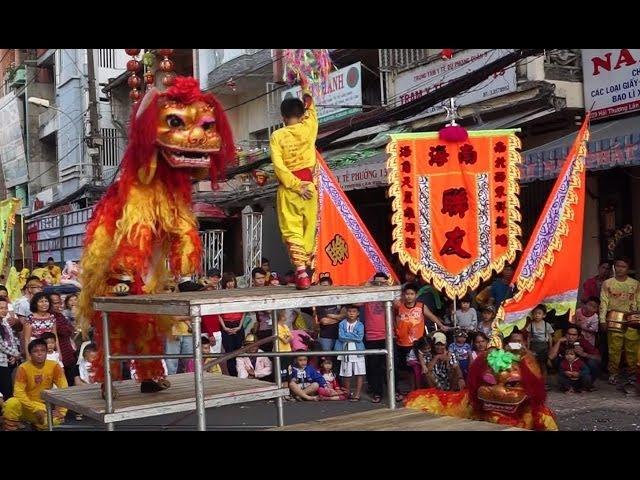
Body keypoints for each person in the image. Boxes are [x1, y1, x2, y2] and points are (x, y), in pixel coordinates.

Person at [270, 78, 318, 290]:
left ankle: (301, 272)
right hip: (310, 186)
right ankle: (306, 268)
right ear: (301, 114)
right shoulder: (309, 127)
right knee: (309, 229)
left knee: (292, 230)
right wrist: (305, 85)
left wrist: (295, 185)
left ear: (283, 117)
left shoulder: (277, 135)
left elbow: (278, 166)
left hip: (291, 189)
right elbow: (311, 105)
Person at [2, 338, 68, 431]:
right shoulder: (23, 368)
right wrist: (35, 408)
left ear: (46, 352)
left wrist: (61, 411)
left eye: (42, 350)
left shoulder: (54, 366)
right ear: (30, 354)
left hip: (44, 407)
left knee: (54, 420)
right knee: (11, 403)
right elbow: (18, 392)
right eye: (35, 351)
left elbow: (64, 388)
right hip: (26, 405)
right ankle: (10, 428)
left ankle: (37, 425)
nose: (40, 353)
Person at [599, 257, 640, 385]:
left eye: (623, 266)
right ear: (614, 267)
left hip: (631, 318)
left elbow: (639, 301)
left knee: (632, 347)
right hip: (614, 318)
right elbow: (603, 302)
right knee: (614, 348)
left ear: (628, 269)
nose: (620, 269)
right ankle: (613, 373)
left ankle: (632, 374)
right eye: (618, 266)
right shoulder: (607, 283)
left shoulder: (635, 284)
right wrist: (602, 319)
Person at [335, 305, 366, 401]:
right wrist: (353, 334)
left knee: (359, 372)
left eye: (354, 311)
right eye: (349, 311)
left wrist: (347, 334)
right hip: (345, 350)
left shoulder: (360, 325)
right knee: (346, 373)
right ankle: (347, 393)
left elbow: (359, 338)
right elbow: (341, 337)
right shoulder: (342, 323)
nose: (351, 313)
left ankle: (357, 394)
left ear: (357, 313)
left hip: (358, 351)